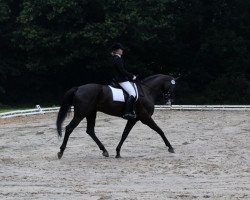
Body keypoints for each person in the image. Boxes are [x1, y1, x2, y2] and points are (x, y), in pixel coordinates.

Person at [110, 43, 137, 119]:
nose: (122, 50)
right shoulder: (117, 59)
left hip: (119, 79)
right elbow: (122, 70)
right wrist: (132, 76)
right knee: (133, 93)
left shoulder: (116, 58)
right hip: (121, 80)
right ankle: (126, 112)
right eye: (121, 49)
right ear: (117, 50)